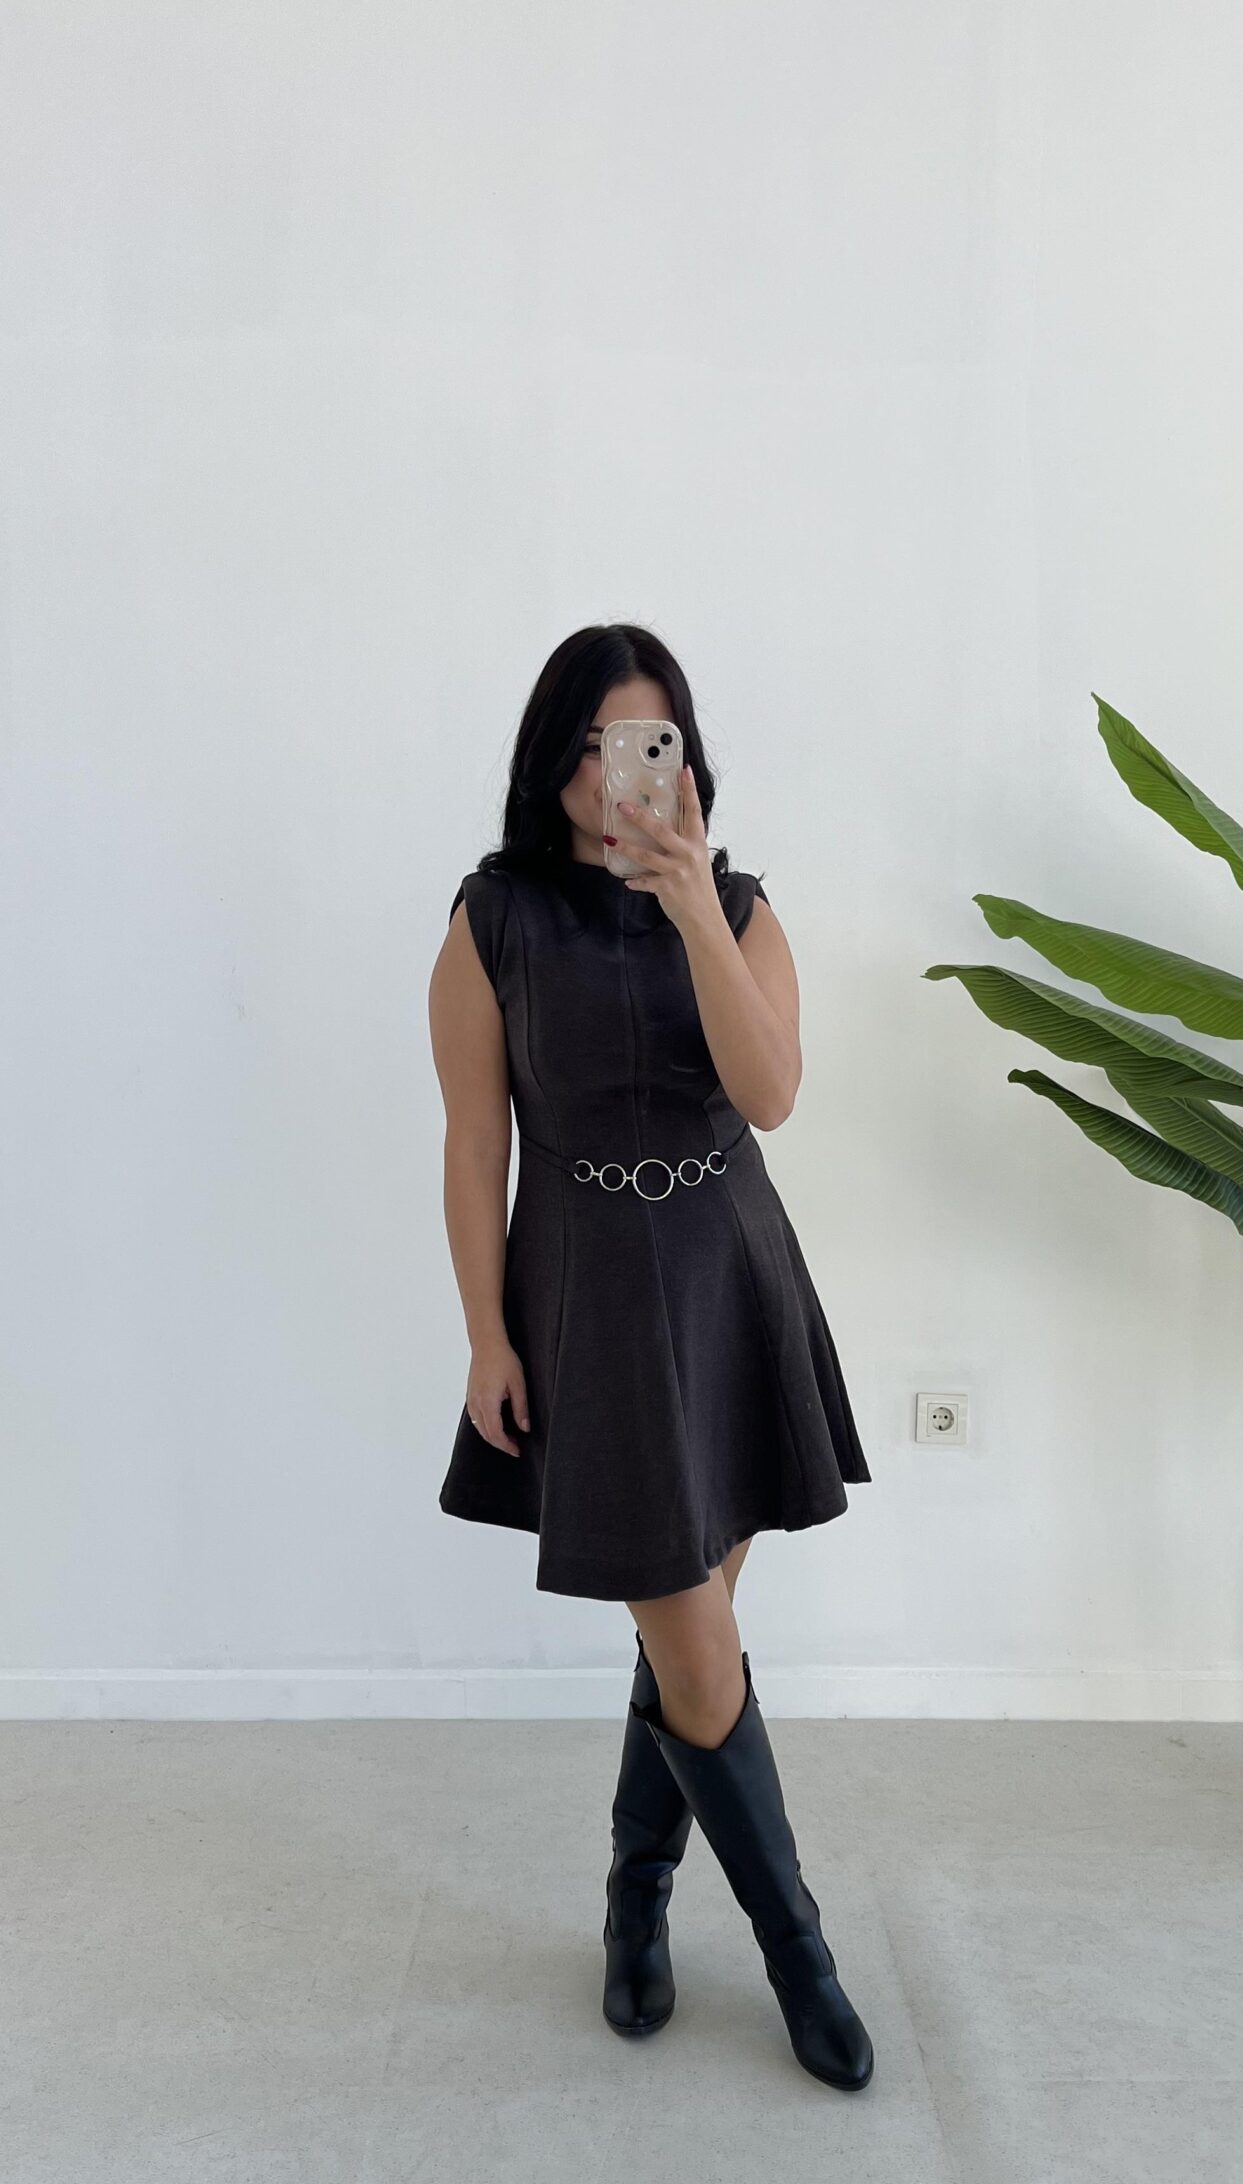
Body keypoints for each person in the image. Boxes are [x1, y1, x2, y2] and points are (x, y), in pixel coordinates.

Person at [427, 624, 874, 2093]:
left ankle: (637, 1901)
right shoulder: (492, 920)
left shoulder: (737, 907)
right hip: (590, 1300)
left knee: (694, 1631)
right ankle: (801, 1957)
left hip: (729, 1274)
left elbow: (773, 1093)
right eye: (590, 744)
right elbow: (475, 1143)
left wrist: (688, 906)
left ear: (682, 755)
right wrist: (486, 1331)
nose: (613, 773)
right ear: (551, 760)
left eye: (645, 741)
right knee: (691, 1635)